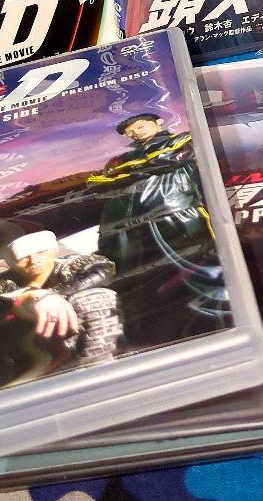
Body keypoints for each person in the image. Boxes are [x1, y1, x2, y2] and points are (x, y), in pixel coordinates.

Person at [87, 114, 229, 347]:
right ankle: (161, 337)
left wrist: (124, 174)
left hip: (181, 217)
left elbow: (170, 157)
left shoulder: (182, 140)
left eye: (140, 126)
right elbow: (96, 182)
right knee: (148, 284)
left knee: (205, 271)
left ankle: (223, 324)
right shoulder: (123, 159)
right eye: (130, 132)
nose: (136, 132)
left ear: (159, 122)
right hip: (134, 229)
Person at [0, 231, 122, 404]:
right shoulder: (1, 282)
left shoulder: (77, 265)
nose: (33, 260)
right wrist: (24, 298)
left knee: (96, 297)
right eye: (23, 257)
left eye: (40, 252)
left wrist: (54, 295)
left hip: (86, 365)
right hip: (12, 371)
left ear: (54, 250)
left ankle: (99, 364)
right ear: (11, 261)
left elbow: (102, 272)